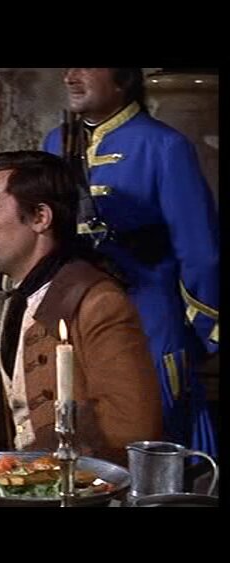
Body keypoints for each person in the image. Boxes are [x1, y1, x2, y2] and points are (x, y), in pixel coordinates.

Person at [43, 68, 219, 457]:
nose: (70, 77)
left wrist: (200, 331)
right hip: (75, 312)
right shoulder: (56, 142)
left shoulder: (164, 146)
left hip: (148, 314)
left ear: (122, 78)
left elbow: (200, 251)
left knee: (153, 434)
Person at [0, 150, 162, 464]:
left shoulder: (97, 303)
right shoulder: (21, 296)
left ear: (40, 218)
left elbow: (131, 428)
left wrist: (36, 465)